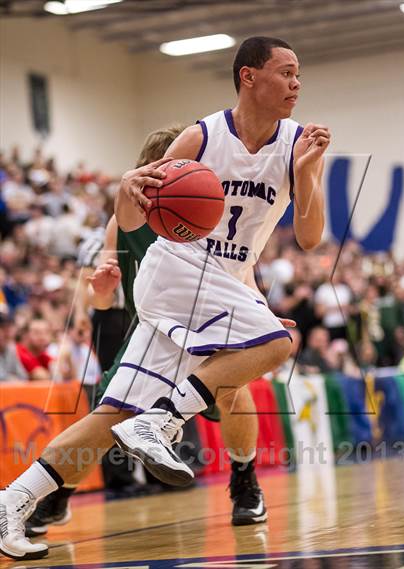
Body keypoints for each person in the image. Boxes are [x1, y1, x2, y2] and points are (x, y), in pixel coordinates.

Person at [0, 115, 298, 560]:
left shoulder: (208, 205)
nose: (173, 170)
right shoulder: (131, 216)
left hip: (195, 313)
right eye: (163, 164)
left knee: (233, 385)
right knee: (111, 417)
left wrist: (256, 305)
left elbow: (236, 270)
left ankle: (242, 480)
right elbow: (103, 291)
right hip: (148, 320)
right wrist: (99, 295)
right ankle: (45, 494)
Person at [109, 36, 328, 484]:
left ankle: (22, 497)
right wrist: (127, 189)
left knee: (228, 384)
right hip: (183, 269)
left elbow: (309, 238)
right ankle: (169, 427)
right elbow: (139, 218)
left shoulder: (298, 144)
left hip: (234, 275)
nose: (297, 84)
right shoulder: (200, 137)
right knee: (274, 343)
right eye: (286, 73)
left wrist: (306, 172)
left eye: (298, 75)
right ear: (248, 77)